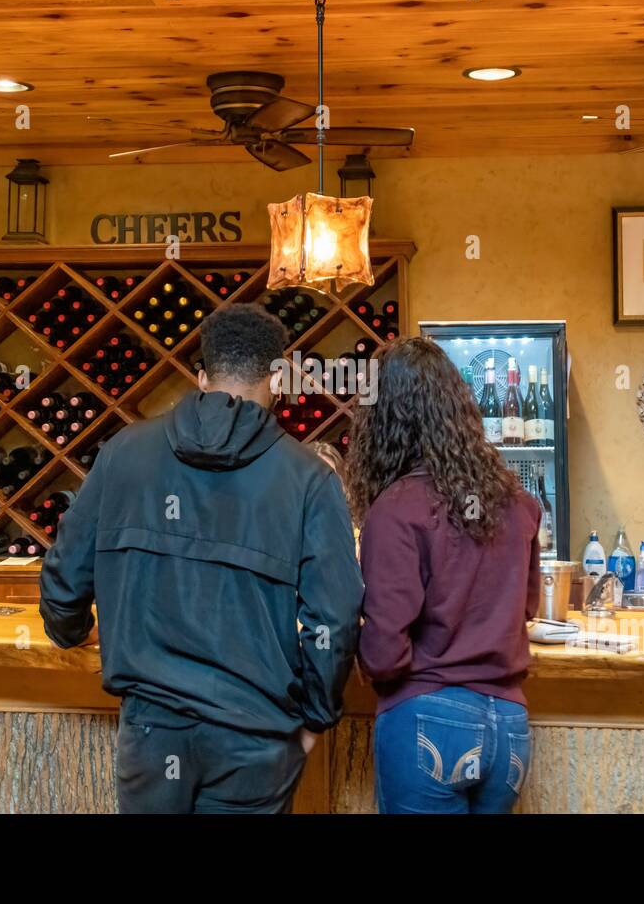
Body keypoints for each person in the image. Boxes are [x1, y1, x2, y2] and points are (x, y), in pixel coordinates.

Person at [39, 304, 364, 813]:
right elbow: (336, 618)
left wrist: (71, 631)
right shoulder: (308, 478)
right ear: (276, 379)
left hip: (151, 731)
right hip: (257, 735)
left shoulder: (124, 452)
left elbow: (64, 577)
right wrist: (314, 719)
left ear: (200, 376)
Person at [345, 337, 541, 814]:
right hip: (510, 727)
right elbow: (526, 609)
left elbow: (386, 651)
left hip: (428, 720)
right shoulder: (517, 501)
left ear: (384, 420)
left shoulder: (396, 510)